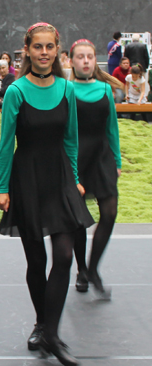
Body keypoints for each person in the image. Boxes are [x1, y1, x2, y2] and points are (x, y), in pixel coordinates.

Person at [0, 22, 94, 366]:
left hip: (61, 179)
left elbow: (71, 139)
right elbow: (6, 144)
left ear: (57, 50)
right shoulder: (16, 91)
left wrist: (77, 179)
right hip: (28, 179)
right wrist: (2, 188)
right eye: (38, 47)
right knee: (37, 262)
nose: (44, 53)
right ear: (28, 50)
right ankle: (42, 323)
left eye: (50, 47)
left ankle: (50, 331)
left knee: (64, 257)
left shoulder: (67, 89)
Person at [69, 39, 121, 300]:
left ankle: (94, 268)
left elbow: (112, 126)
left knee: (109, 212)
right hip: (76, 159)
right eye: (81, 57)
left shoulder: (104, 89)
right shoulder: (65, 90)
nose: (86, 61)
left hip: (102, 159)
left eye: (90, 56)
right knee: (78, 220)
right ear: (71, 61)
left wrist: (118, 161)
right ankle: (82, 271)